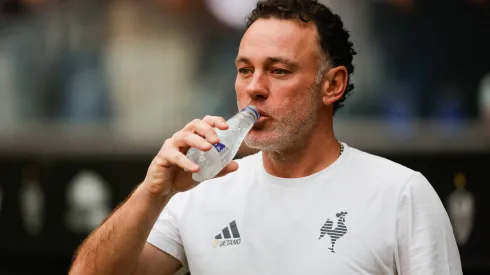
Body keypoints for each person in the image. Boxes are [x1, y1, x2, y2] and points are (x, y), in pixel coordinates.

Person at [69, 0, 462, 274]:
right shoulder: (198, 191)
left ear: (333, 85)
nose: (254, 87)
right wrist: (152, 193)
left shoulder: (401, 194)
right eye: (244, 70)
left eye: (278, 71)